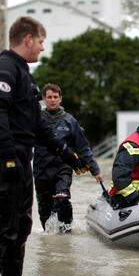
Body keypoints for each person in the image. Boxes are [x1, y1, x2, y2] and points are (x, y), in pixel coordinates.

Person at [0, 16, 88, 276]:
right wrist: (9, 158)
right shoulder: (4, 70)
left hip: (21, 164)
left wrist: (65, 152)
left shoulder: (24, 74)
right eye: (41, 41)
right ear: (27, 40)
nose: (43, 48)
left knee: (21, 226)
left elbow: (37, 123)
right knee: (0, 229)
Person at [33, 83, 103, 232]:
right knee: (45, 210)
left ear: (60, 99)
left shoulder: (70, 121)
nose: (52, 100)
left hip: (62, 168)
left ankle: (66, 231)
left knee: (62, 197)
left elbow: (83, 147)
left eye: (55, 97)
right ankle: (50, 239)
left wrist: (95, 170)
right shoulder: (36, 119)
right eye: (49, 97)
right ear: (44, 99)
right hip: (41, 170)